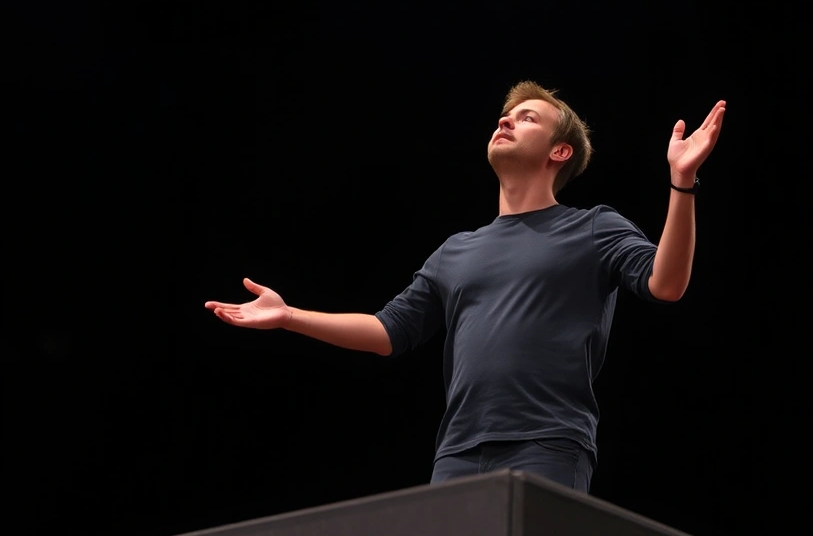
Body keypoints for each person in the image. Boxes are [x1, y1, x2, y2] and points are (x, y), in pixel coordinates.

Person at [205, 81, 726, 494]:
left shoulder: (592, 227)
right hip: (457, 451)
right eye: (506, 114)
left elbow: (667, 283)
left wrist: (682, 183)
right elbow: (388, 331)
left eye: (528, 118)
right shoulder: (457, 250)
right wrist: (289, 315)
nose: (506, 120)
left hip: (547, 443)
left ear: (560, 151)